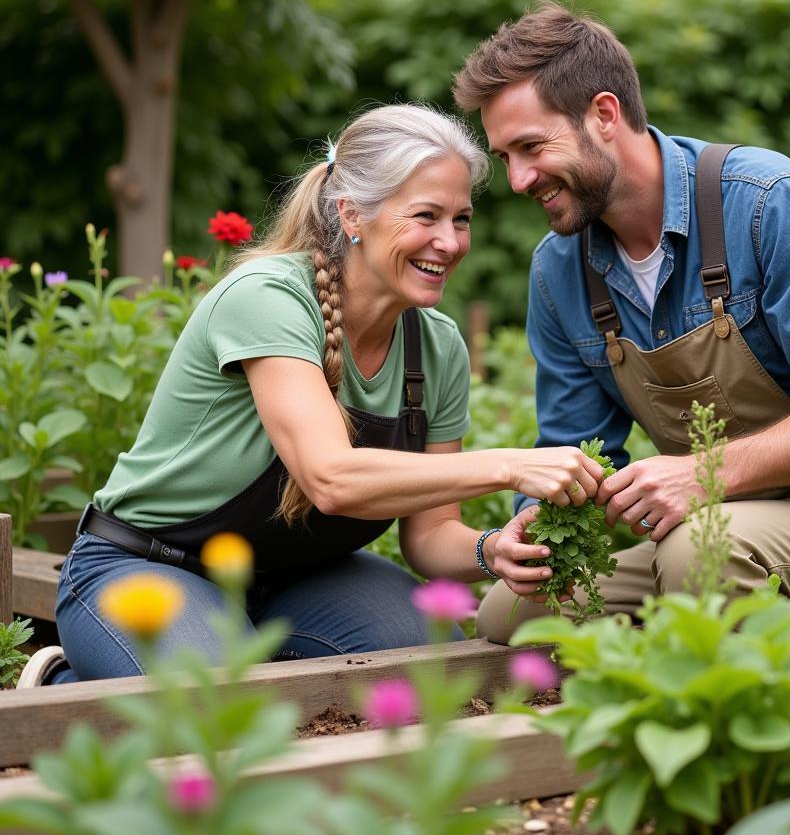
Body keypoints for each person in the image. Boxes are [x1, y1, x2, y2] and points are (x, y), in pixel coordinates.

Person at [19, 104, 604, 686]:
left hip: (301, 580)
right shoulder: (269, 298)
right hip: (146, 563)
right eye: (425, 216)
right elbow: (331, 478)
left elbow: (429, 535)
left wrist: (491, 548)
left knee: (441, 677)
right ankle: (66, 684)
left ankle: (235, 648)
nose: (448, 242)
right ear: (353, 213)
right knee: (217, 717)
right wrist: (509, 466)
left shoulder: (438, 347)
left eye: (461, 219)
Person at [452, 0, 790, 643]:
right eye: (504, 157)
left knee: (699, 556)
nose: (518, 179)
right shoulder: (558, 271)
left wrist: (703, 474)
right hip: (728, 520)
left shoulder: (766, 202)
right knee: (516, 616)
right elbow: (571, 445)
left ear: (604, 115)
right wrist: (536, 525)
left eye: (530, 147)